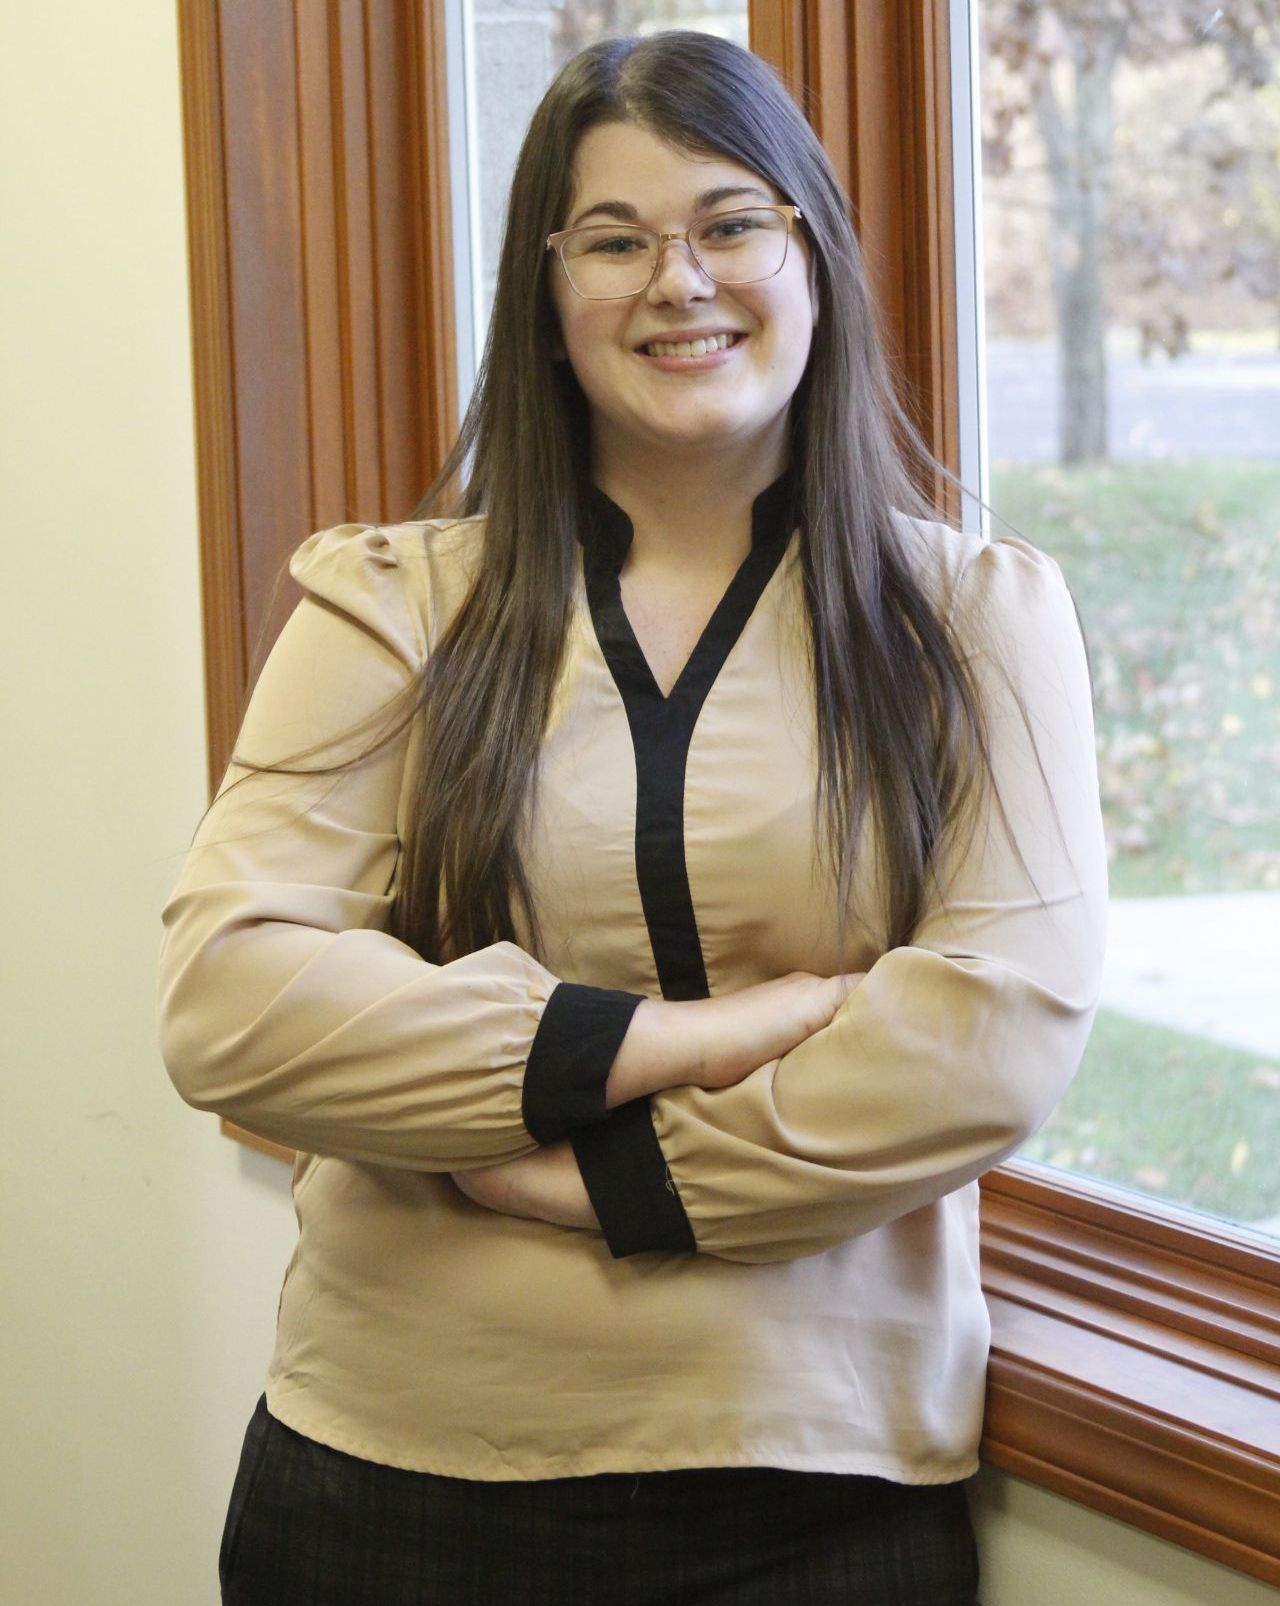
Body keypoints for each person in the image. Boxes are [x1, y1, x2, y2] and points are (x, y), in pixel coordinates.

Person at [159, 29, 1107, 1606]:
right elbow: (228, 1004)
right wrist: (671, 1038)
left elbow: (994, 1037)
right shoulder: (393, 605)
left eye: (732, 222)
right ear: (544, 293)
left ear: (812, 253)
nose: (680, 280)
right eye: (614, 238)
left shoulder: (980, 616)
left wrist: (585, 1177)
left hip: (817, 1497)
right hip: (390, 1483)